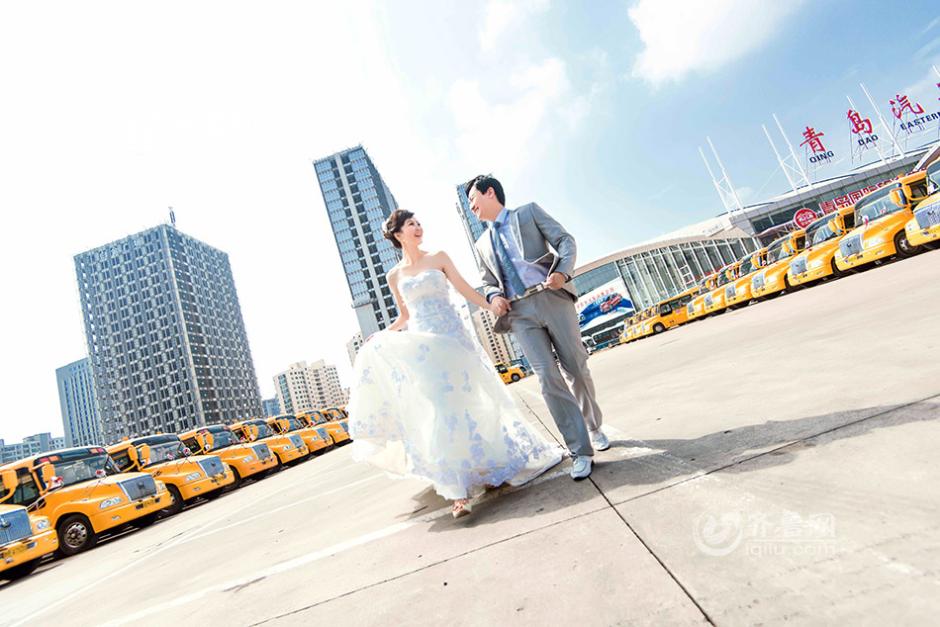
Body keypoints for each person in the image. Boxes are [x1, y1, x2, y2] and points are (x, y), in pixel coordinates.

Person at [347, 210, 563, 519]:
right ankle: (457, 491)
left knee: (474, 403)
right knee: (441, 409)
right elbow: (405, 318)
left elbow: (464, 289)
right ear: (398, 234)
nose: (419, 227)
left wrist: (490, 303)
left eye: (419, 222)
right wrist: (381, 335)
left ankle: (487, 467)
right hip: (426, 349)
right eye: (411, 224)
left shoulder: (439, 257)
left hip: (453, 339)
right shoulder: (394, 276)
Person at [465, 174, 607, 481]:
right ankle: (579, 450)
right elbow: (487, 281)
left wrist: (563, 273)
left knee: (576, 368)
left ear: (490, 192)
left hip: (551, 296)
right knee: (547, 378)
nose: (471, 206)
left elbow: (565, 241)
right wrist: (494, 296)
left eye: (473, 199)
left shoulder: (527, 213)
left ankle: (594, 426)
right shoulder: (480, 244)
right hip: (519, 313)